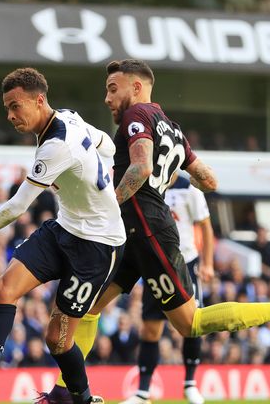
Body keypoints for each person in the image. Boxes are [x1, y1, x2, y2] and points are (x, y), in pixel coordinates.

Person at [38, 59, 270, 404]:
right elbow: (210, 180)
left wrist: (111, 202)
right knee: (90, 308)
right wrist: (169, 174)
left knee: (191, 324)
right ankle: (65, 392)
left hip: (148, 230)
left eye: (113, 89)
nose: (107, 99)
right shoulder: (172, 128)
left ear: (137, 87)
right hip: (134, 232)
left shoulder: (135, 115)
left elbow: (140, 167)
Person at [0, 67, 124, 404]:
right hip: (65, 228)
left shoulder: (54, 145)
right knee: (2, 288)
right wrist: (94, 173)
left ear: (39, 100)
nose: (11, 116)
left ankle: (83, 400)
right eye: (7, 108)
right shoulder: (69, 117)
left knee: (57, 339)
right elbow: (109, 146)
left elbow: (16, 208)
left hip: (97, 246)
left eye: (16, 106)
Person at [119, 172, 215, 404]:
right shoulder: (146, 185)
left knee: (193, 324)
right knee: (150, 328)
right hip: (155, 263)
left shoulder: (188, 189)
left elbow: (205, 226)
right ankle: (143, 392)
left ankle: (190, 384)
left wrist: (208, 263)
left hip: (185, 264)